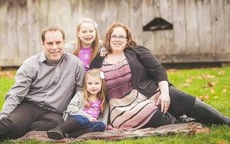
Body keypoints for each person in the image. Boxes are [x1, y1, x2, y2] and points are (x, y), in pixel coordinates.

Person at [90, 22, 230, 129]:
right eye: (114, 36)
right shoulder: (98, 61)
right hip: (123, 109)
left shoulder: (137, 52)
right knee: (163, 116)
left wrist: (165, 93)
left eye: (122, 36)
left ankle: (224, 120)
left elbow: (159, 71)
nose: (118, 39)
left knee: (179, 97)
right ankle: (184, 121)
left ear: (127, 40)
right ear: (108, 38)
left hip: (150, 93)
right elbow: (92, 84)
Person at [47, 68, 108, 140]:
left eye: (96, 83)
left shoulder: (103, 100)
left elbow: (104, 118)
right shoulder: (80, 95)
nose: (93, 86)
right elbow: (71, 108)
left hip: (89, 124)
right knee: (83, 119)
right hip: (75, 119)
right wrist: (87, 117)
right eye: (90, 83)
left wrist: (100, 123)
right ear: (86, 84)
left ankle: (68, 135)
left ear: (102, 84)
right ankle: (58, 129)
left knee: (101, 126)